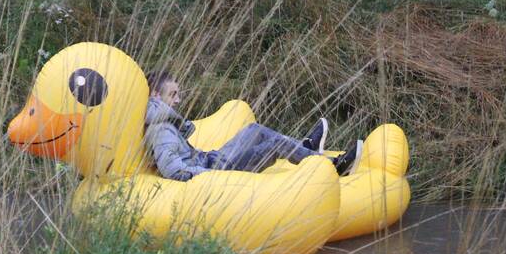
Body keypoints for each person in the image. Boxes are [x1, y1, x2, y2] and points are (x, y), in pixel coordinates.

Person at [144, 70, 361, 182]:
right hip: (217, 169)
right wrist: (211, 176)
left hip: (212, 158)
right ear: (155, 95)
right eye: (173, 94)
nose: (178, 100)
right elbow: (173, 170)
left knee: (254, 130)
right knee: (273, 144)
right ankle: (334, 166)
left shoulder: (163, 121)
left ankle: (305, 148)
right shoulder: (160, 129)